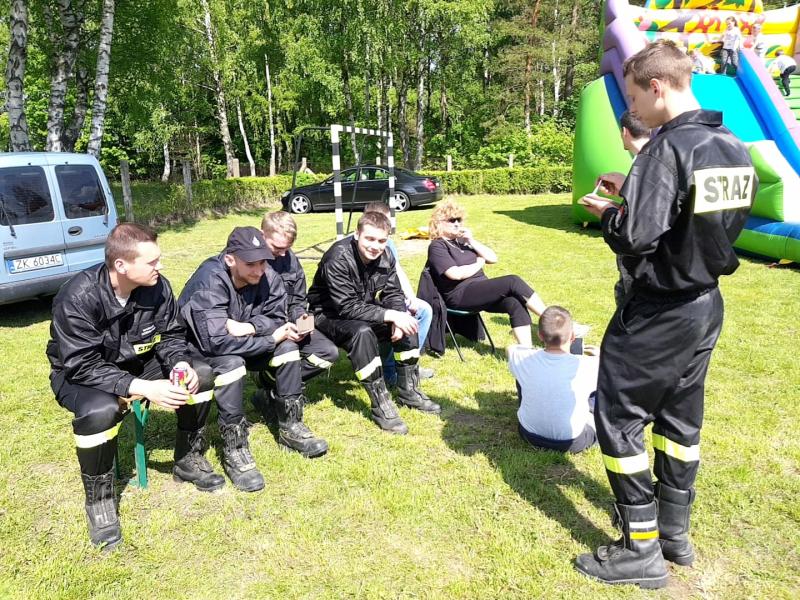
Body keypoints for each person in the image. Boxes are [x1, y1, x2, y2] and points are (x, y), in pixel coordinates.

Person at [578, 40, 756, 588]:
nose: (631, 109)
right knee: (680, 420)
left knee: (619, 416)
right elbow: (694, 217)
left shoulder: (666, 149)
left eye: (634, 98)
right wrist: (634, 191)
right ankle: (675, 533)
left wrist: (611, 212)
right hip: (704, 305)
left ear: (657, 87)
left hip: (658, 309)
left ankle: (641, 549)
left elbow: (635, 238)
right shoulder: (733, 145)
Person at [47, 223, 221, 550]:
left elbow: (171, 335)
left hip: (137, 362)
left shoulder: (157, 286)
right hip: (81, 373)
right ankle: (100, 500)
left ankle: (187, 459)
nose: (160, 266)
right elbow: (81, 363)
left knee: (201, 373)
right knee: (100, 410)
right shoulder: (78, 296)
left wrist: (179, 362)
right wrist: (141, 387)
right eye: (152, 261)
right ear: (121, 265)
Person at [179, 227, 328, 488]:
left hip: (242, 341)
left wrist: (249, 327)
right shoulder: (210, 280)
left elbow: (278, 317)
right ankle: (235, 446)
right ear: (230, 259)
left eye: (263, 262)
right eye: (250, 264)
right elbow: (215, 342)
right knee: (232, 364)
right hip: (200, 351)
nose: (259, 270)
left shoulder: (267, 275)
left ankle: (291, 426)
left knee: (288, 348)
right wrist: (269, 338)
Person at [307, 211, 440, 435]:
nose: (375, 246)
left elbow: (393, 292)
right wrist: (390, 315)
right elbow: (346, 307)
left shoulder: (386, 255)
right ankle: (381, 403)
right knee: (362, 332)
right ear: (357, 234)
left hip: (361, 307)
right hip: (327, 314)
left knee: (407, 323)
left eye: (381, 240)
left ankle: (409, 391)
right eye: (369, 239)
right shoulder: (337, 257)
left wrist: (399, 316)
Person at [426, 199, 589, 347]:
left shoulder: (462, 242)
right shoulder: (437, 246)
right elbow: (455, 274)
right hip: (460, 295)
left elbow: (493, 258)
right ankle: (557, 323)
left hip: (480, 290)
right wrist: (479, 263)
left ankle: (526, 351)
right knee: (512, 281)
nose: (457, 224)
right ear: (439, 223)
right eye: (451, 220)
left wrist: (471, 241)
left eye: (459, 220)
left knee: (514, 302)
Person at [255, 211, 340, 447]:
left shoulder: (290, 260)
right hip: (264, 330)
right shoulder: (249, 262)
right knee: (289, 349)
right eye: (277, 247)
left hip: (290, 324)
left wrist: (303, 322)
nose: (283, 253)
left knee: (328, 353)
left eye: (288, 248)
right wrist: (279, 330)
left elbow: (298, 300)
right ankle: (288, 421)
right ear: (262, 235)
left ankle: (270, 385)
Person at [360, 201, 434, 384]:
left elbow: (396, 273)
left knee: (423, 310)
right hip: (365, 305)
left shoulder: (388, 243)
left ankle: (409, 365)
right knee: (391, 322)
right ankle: (389, 370)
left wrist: (410, 298)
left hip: (386, 298)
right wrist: (395, 315)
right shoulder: (352, 248)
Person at [508, 306, 598, 454]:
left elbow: (511, 348)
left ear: (540, 335)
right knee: (599, 389)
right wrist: (600, 355)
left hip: (528, 434)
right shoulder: (588, 365)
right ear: (572, 336)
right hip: (572, 442)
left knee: (521, 375)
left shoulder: (522, 359)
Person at [613, 111, 651, 306]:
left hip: (637, 254)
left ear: (624, 132)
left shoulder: (647, 161)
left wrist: (607, 210)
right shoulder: (649, 157)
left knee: (630, 300)